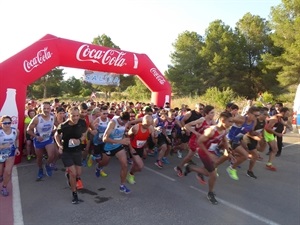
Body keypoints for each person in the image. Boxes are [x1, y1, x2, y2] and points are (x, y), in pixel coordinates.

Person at [183, 111, 233, 205]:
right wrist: (209, 154)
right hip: (204, 152)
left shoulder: (224, 130)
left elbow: (224, 140)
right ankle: (210, 193)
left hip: (212, 151)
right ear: (223, 120)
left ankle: (190, 168)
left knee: (207, 172)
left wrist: (228, 150)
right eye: (230, 121)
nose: (231, 124)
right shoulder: (211, 131)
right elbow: (199, 142)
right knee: (213, 174)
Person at [54, 106, 87, 204]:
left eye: (77, 115)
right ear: (69, 115)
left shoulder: (82, 122)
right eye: (73, 116)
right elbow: (56, 135)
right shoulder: (63, 126)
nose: (76, 118)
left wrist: (79, 140)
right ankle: (74, 194)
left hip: (77, 151)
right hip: (67, 152)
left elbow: (85, 133)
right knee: (73, 173)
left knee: (78, 173)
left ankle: (69, 175)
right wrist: (60, 145)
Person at [100, 111, 131, 193]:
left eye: (125, 122)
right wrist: (120, 141)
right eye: (122, 122)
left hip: (118, 147)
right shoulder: (112, 123)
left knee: (125, 165)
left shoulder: (126, 122)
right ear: (119, 119)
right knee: (104, 163)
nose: (123, 124)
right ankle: (99, 167)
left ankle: (122, 185)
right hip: (108, 147)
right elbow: (104, 139)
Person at [226, 106, 260, 180]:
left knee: (247, 153)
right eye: (255, 115)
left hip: (238, 139)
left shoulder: (254, 121)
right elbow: (227, 120)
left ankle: (232, 160)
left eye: (258, 115)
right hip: (230, 138)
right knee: (245, 155)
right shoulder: (241, 119)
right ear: (248, 113)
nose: (256, 117)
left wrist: (255, 133)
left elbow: (250, 132)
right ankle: (231, 168)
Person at [27, 102, 56, 180]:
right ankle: (40, 169)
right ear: (41, 109)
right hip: (39, 140)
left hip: (48, 139)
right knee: (39, 158)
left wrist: (55, 130)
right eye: (44, 108)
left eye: (48, 108)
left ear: (50, 109)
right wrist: (36, 136)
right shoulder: (37, 118)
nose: (46, 110)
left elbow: (57, 124)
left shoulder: (53, 116)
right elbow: (28, 130)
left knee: (51, 155)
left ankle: (47, 165)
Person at [126, 115, 156, 184]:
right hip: (133, 147)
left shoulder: (151, 128)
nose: (147, 127)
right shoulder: (135, 128)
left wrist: (155, 136)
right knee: (140, 166)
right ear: (142, 121)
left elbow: (153, 141)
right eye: (145, 125)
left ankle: (130, 175)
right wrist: (130, 148)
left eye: (149, 125)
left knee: (136, 165)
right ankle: (130, 174)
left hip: (141, 147)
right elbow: (128, 137)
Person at [0, 115, 20, 196]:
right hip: (0, 153)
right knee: (0, 171)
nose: (7, 125)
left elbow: (16, 139)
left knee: (8, 172)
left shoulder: (15, 131)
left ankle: (4, 187)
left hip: (10, 152)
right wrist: (3, 146)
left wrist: (17, 148)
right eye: (5, 123)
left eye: (9, 123)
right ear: (1, 123)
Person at [92, 106, 109, 177]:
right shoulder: (98, 120)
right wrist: (95, 128)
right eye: (104, 113)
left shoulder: (109, 120)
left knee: (103, 157)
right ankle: (92, 156)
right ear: (100, 113)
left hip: (104, 141)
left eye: (106, 113)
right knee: (98, 157)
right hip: (97, 141)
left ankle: (99, 169)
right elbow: (91, 127)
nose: (105, 115)